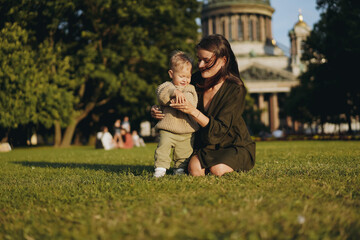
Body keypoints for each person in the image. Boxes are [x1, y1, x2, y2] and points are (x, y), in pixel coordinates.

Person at [152, 34, 255, 176]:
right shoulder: (193, 80)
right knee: (194, 170)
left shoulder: (235, 88)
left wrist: (193, 111)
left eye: (206, 61)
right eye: (199, 60)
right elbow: (168, 90)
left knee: (217, 170)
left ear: (223, 60)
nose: (200, 65)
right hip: (206, 145)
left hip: (232, 143)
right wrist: (159, 109)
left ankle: (233, 162)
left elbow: (220, 130)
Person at [153, 50, 199, 178]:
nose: (185, 80)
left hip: (186, 131)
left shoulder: (190, 89)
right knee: (163, 149)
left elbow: (191, 102)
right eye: (181, 76)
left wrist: (180, 96)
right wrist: (174, 92)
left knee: (184, 152)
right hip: (168, 128)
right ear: (171, 74)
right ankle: (160, 169)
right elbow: (161, 94)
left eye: (187, 76)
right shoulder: (167, 86)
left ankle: (179, 169)